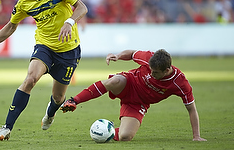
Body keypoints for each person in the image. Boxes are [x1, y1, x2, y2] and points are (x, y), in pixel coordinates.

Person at [0, 0, 88, 141]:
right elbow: (12, 25)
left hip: (69, 50)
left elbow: (82, 7)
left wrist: (70, 22)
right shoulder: (24, 2)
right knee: (30, 79)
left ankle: (50, 113)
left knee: (58, 97)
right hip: (45, 47)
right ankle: (7, 127)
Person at [61, 49, 207, 142]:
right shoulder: (149, 57)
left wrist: (196, 136)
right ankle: (74, 100)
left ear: (167, 70)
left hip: (138, 103)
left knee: (126, 137)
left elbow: (191, 109)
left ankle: (107, 130)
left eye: (155, 73)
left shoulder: (180, 83)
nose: (151, 73)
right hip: (129, 83)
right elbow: (131, 54)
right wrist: (117, 56)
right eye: (150, 70)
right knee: (115, 81)